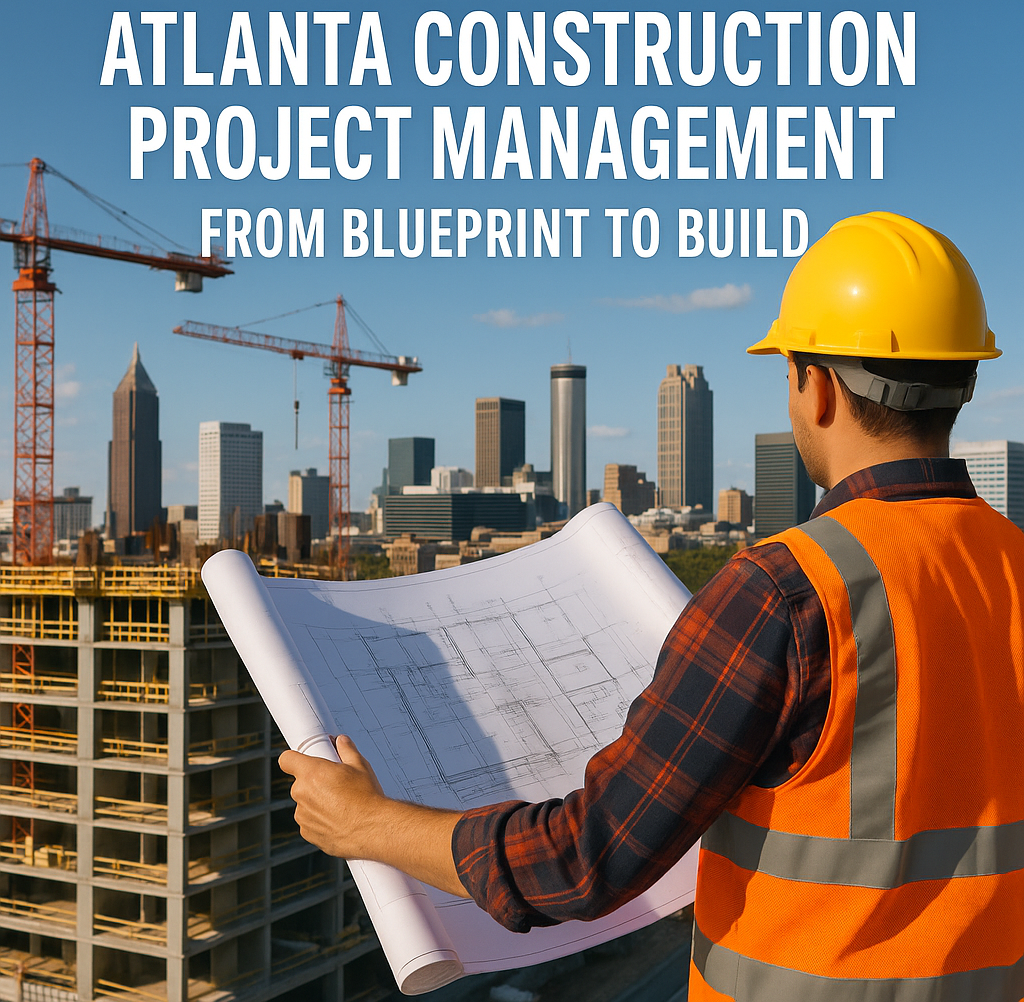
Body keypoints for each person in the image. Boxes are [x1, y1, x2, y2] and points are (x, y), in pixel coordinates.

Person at [279, 212, 1024, 1000]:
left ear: (819, 385)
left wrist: (367, 824)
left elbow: (583, 859)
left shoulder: (788, 592)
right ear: (965, 383)